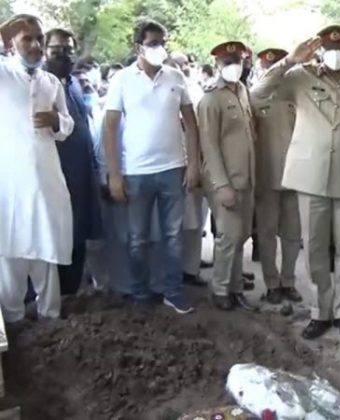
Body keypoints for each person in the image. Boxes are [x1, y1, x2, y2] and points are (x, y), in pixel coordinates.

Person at [251, 25, 340, 340]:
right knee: (313, 247)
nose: (335, 53)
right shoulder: (299, 77)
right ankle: (319, 311)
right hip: (310, 176)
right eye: (329, 48)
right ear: (320, 50)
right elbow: (257, 94)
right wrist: (289, 61)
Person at [103, 19, 200, 314]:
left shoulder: (175, 77)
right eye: (153, 43)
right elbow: (109, 129)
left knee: (173, 236)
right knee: (137, 239)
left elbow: (192, 125)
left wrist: (194, 164)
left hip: (173, 168)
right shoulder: (121, 80)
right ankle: (140, 293)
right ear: (138, 47)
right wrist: (115, 174)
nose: (160, 48)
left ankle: (172, 290)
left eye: (162, 42)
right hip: (136, 172)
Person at [0, 15, 74, 322]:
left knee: (46, 251)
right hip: (9, 183)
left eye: (38, 39)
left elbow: (68, 125)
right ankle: (13, 320)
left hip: (45, 180)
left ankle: (50, 319)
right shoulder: (3, 74)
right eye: (26, 38)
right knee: (10, 252)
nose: (34, 45)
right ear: (12, 44)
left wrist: (56, 121)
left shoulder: (51, 82)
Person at [198, 41, 258, 311]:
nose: (233, 66)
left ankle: (235, 288)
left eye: (238, 60)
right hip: (226, 180)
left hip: (246, 177)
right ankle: (221, 290)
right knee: (228, 237)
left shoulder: (242, 91)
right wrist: (221, 185)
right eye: (227, 62)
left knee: (240, 236)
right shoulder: (211, 99)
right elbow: (208, 145)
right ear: (216, 66)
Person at [43, 28, 103, 297]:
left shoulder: (74, 83)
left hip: (81, 176)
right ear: (45, 50)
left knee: (78, 237)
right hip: (55, 179)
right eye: (56, 49)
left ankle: (72, 294)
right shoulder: (38, 85)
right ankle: (54, 300)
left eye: (68, 49)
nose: (63, 55)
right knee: (56, 241)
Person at [252, 47, 303, 305]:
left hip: (296, 176)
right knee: (267, 233)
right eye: (270, 67)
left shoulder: (299, 95)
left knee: (293, 234)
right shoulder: (257, 96)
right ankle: (271, 283)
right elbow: (260, 89)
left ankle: (289, 280)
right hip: (266, 175)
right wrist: (286, 62)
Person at [169, 50, 208, 287]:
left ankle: (191, 268)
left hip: (197, 160)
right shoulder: (167, 88)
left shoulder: (195, 88)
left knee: (197, 219)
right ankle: (175, 270)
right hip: (173, 161)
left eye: (186, 64)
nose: (183, 67)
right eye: (178, 64)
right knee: (176, 222)